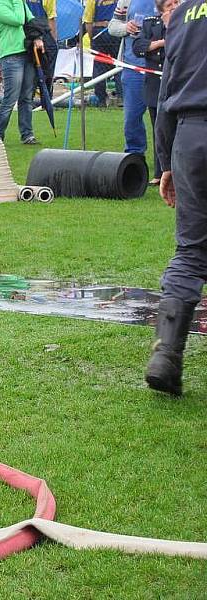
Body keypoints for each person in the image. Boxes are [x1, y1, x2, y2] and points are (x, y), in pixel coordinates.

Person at [144, 0, 207, 397]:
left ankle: (166, 354)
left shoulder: (183, 15)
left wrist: (165, 162)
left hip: (191, 136)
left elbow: (167, 91)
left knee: (190, 250)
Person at [132, 0, 178, 184]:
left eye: (176, 2)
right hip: (154, 85)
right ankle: (160, 172)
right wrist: (159, 43)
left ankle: (177, 170)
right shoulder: (150, 22)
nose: (174, 6)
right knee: (158, 128)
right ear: (161, 9)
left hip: (176, 85)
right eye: (169, 4)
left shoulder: (185, 23)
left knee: (176, 129)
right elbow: (138, 47)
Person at [0, 0, 42, 145]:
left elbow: (31, 21)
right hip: (11, 55)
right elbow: (19, 20)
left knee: (26, 97)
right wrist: (19, 2)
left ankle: (27, 134)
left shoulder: (18, 3)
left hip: (27, 52)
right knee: (10, 98)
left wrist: (37, 37)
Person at [109, 0, 155, 157]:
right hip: (132, 68)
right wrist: (125, 27)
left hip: (161, 67)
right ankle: (135, 157)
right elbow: (112, 26)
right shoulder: (126, 1)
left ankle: (166, 164)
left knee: (164, 120)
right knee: (131, 118)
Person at [84, 0, 123, 106]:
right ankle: (121, 97)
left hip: (98, 33)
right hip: (115, 33)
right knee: (119, 65)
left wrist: (92, 39)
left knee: (99, 67)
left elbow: (88, 22)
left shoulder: (92, 1)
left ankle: (100, 99)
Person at [25, 0, 59, 94]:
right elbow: (51, 18)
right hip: (44, 33)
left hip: (27, 33)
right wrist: (54, 40)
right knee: (47, 71)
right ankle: (46, 100)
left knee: (30, 69)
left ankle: (28, 100)